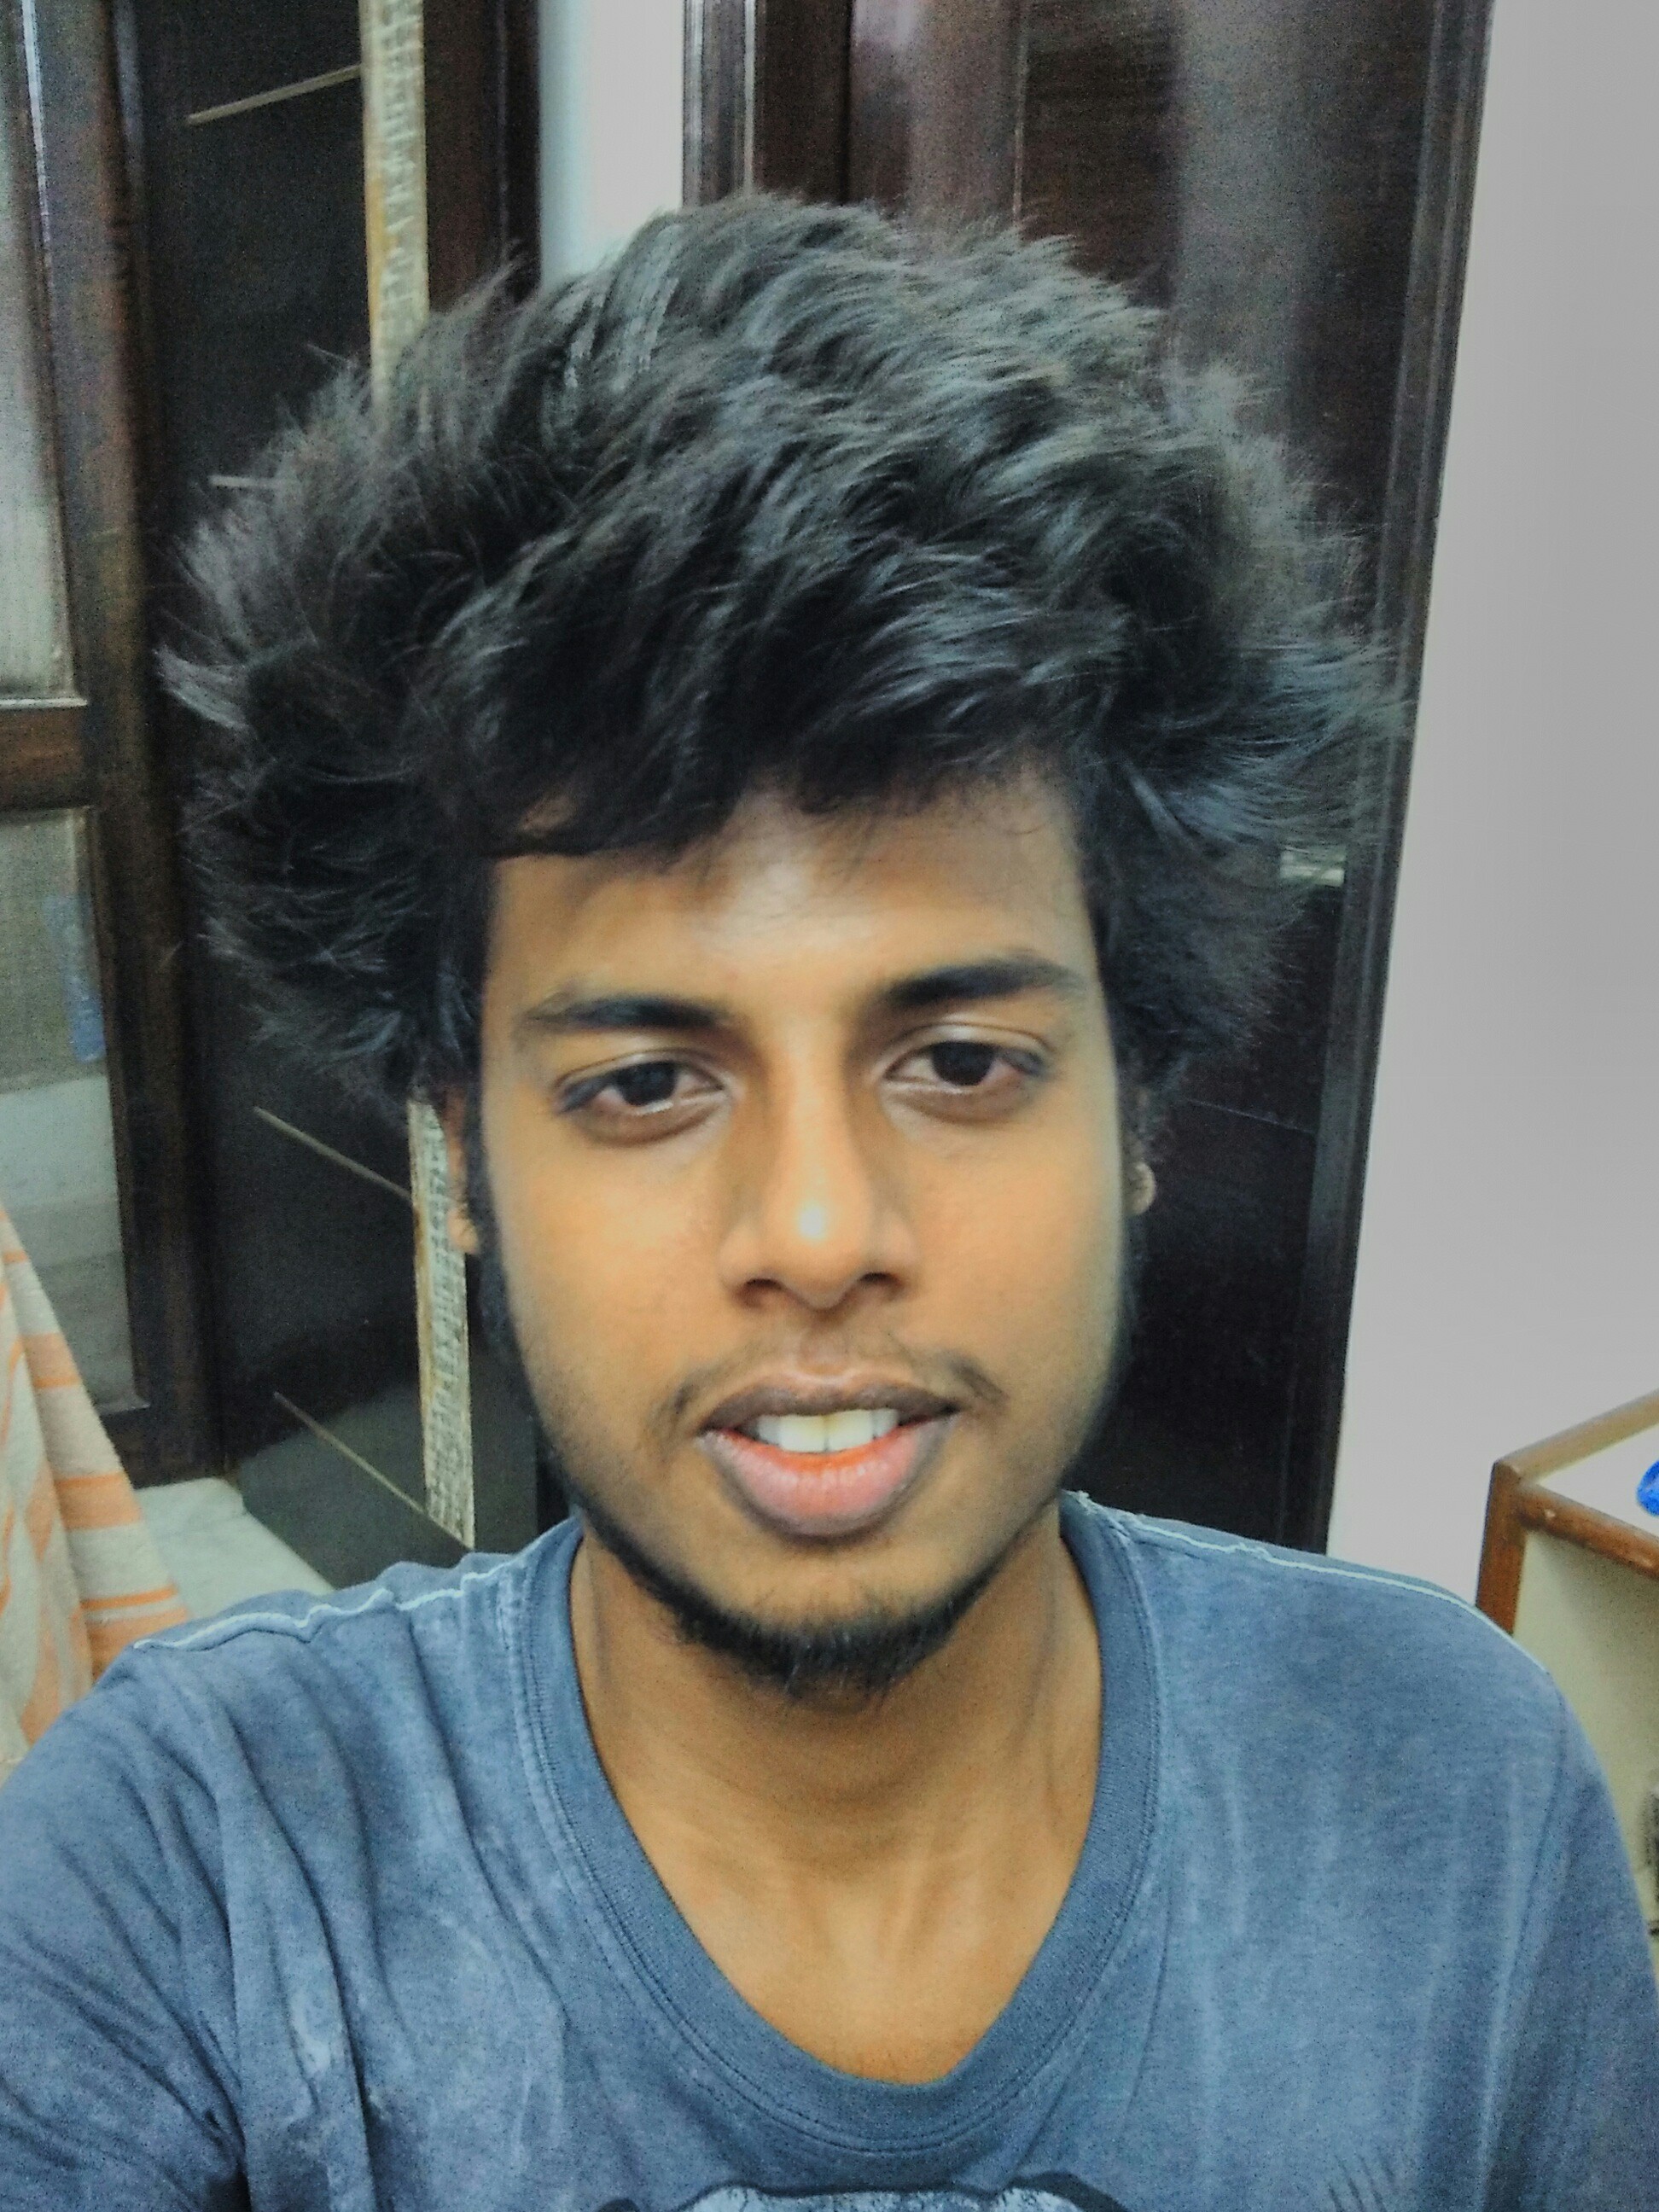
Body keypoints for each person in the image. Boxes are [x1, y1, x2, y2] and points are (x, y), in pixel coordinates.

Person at [0, 197, 1653, 2212]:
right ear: (463, 1156)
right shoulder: (188, 1879)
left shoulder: (1452, 1797)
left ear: (1136, 1109)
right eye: (646, 1083)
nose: (812, 1230)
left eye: (957, 1061)